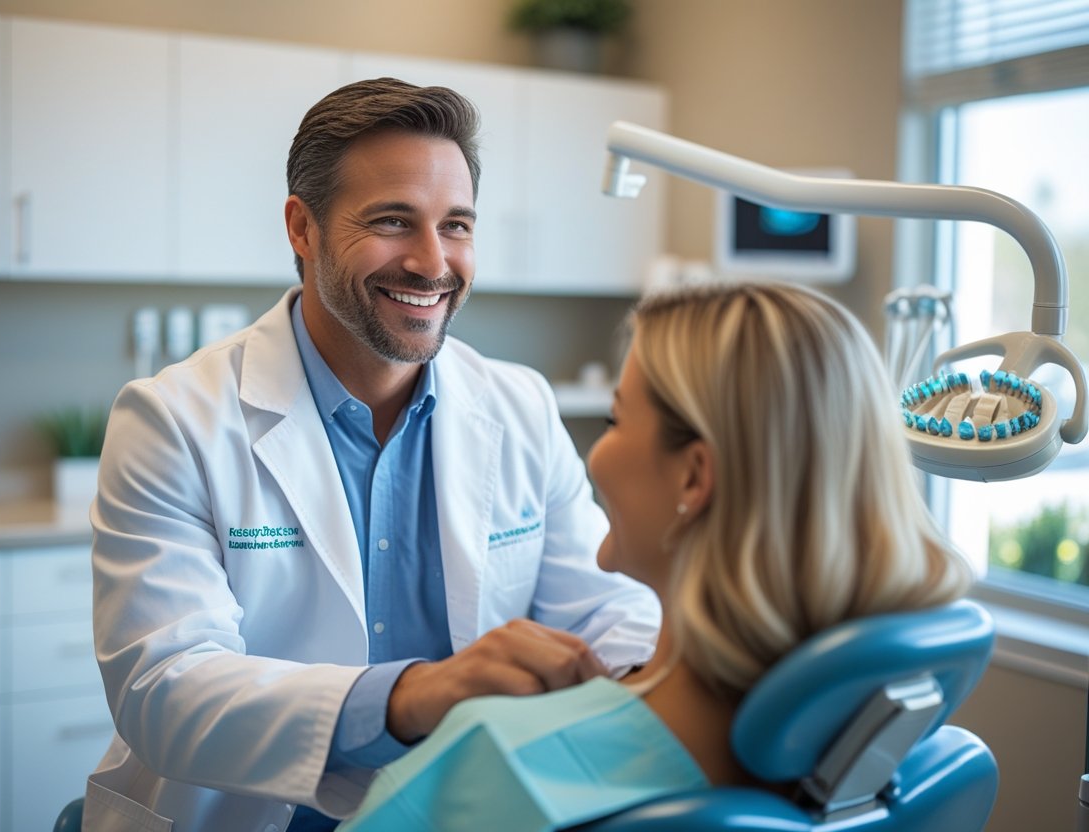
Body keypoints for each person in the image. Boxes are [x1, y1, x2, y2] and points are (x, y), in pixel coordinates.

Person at [83, 77, 659, 832]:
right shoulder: (173, 419)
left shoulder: (519, 406)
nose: (432, 263)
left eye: (456, 225)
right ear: (302, 228)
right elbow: (164, 691)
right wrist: (411, 696)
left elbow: (607, 607)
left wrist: (656, 678)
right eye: (393, 221)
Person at [337, 281, 976, 831]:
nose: (595, 456)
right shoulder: (873, 761)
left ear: (695, 479)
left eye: (615, 422)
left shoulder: (495, 763)